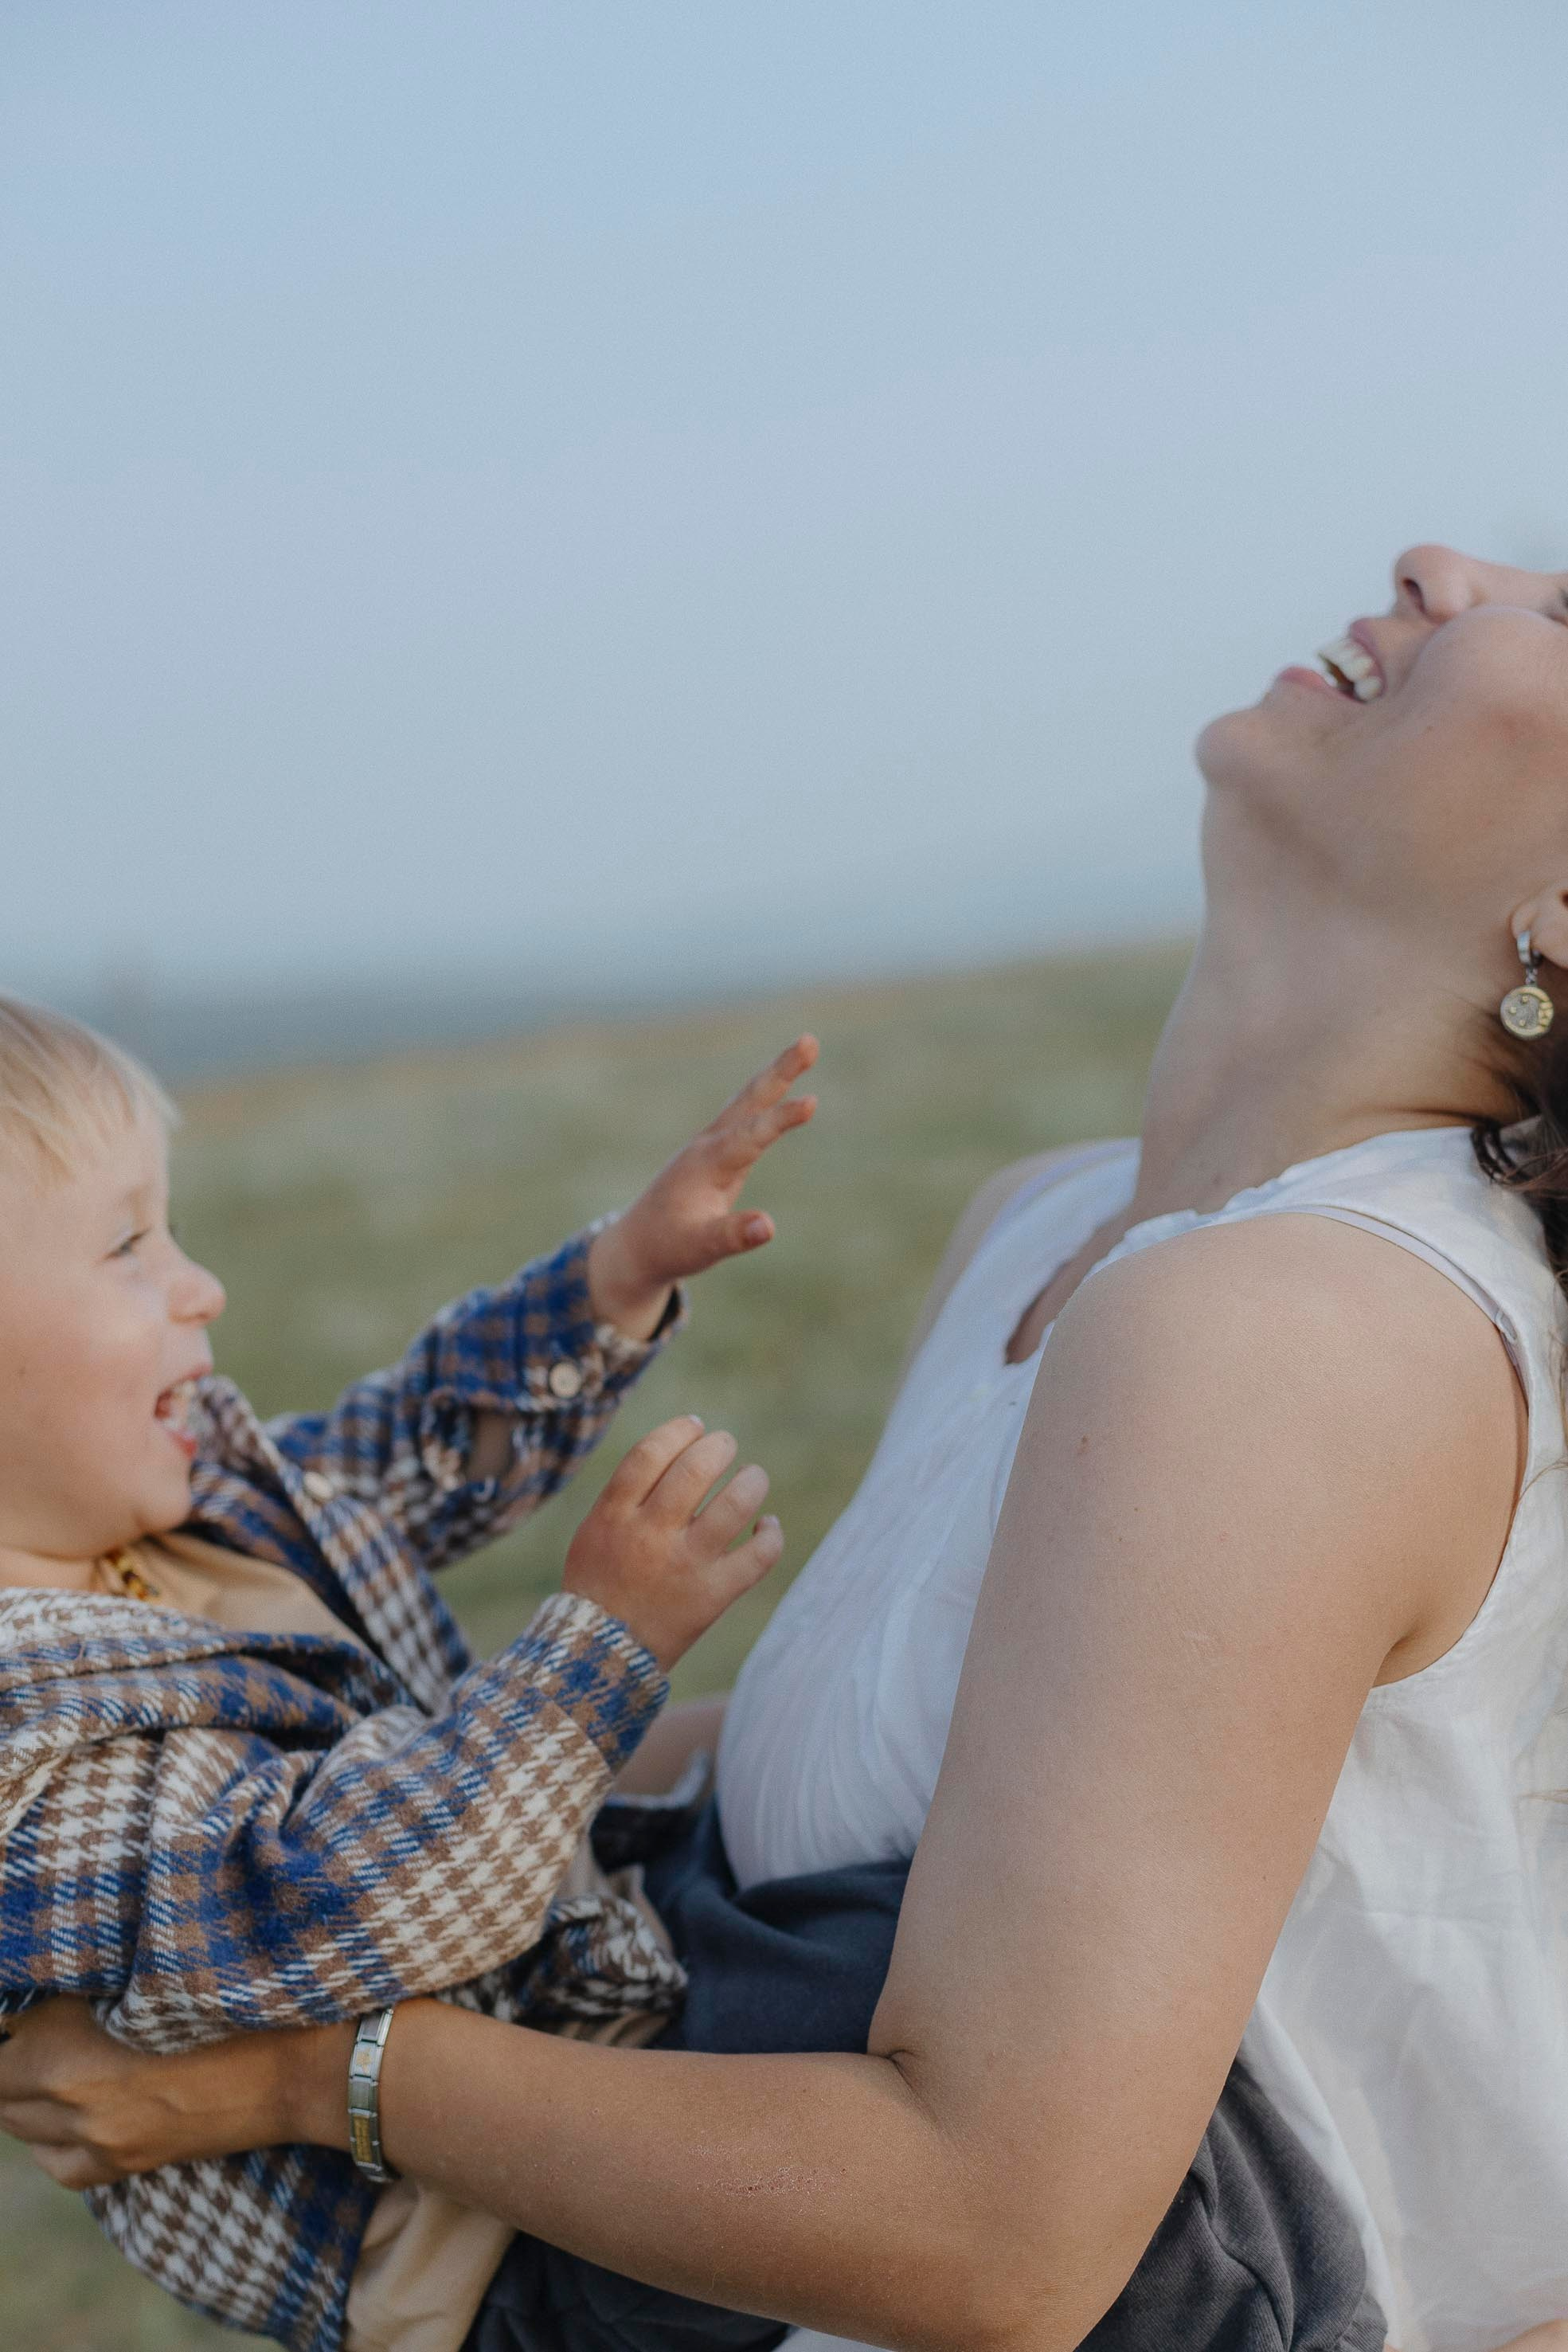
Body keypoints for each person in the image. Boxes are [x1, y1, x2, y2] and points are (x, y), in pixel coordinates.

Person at [9, 541, 1568, 2352]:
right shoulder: (1049, 1223)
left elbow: (1000, 2239)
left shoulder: (1288, 1333)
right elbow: (906, 1781)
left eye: (1558, 611)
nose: (1438, 562)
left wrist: (313, 2073)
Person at [0, 1004, 815, 2350]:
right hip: (521, 2250)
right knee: (943, 2103)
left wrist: (611, 1277)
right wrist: (599, 1645)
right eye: (127, 1242)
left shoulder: (174, 1508)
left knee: (931, 1918)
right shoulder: (28, 1747)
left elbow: (399, 1458)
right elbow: (340, 1888)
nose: (199, 1286)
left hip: (600, 2010)